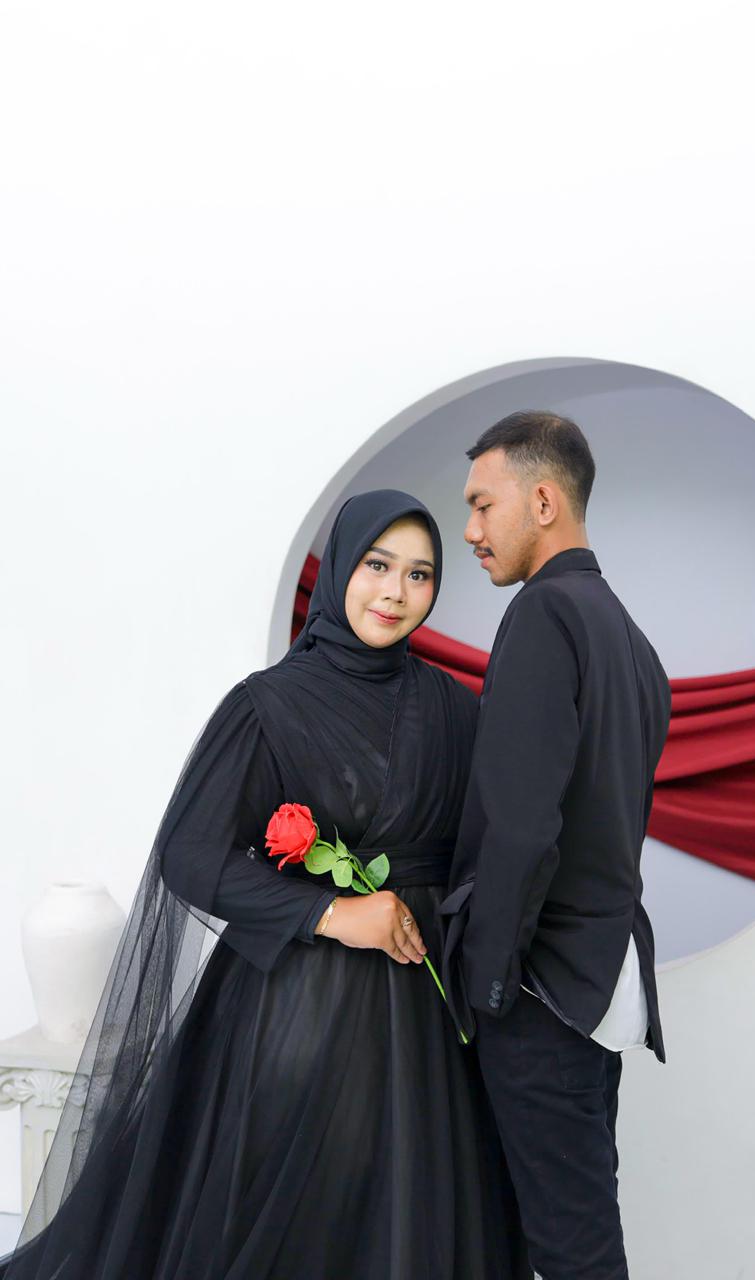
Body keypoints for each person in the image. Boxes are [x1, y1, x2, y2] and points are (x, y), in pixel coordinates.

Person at [1, 489, 531, 1280]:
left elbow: (483, 854)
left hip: (428, 1018)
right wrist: (330, 912)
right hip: (297, 1014)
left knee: (417, 1219)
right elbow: (191, 854)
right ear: (342, 567)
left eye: (419, 574)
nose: (395, 591)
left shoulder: (458, 710)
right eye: (378, 565)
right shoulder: (267, 706)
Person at [440, 413, 671, 1280]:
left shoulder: (544, 614)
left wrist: (489, 986)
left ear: (542, 502)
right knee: (573, 1237)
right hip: (600, 984)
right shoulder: (630, 638)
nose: (470, 530)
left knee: (574, 1254)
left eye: (481, 504)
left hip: (544, 991)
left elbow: (523, 825)